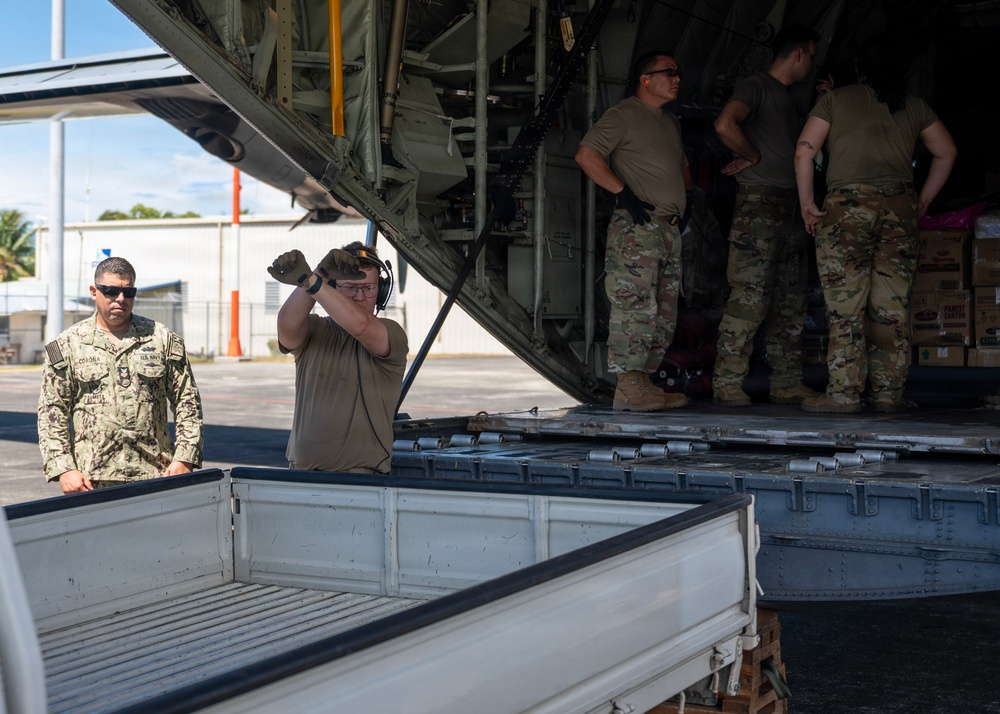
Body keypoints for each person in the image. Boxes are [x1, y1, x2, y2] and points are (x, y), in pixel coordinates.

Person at [794, 35, 957, 413]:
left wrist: (806, 203)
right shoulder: (914, 106)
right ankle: (888, 395)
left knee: (845, 305)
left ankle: (844, 395)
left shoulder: (835, 99)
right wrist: (923, 200)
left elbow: (805, 152)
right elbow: (946, 152)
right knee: (891, 306)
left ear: (857, 69)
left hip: (846, 209)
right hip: (899, 208)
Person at [712, 25, 824, 408]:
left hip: (791, 205)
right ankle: (726, 383)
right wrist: (752, 155)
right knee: (751, 296)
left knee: (790, 298)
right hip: (759, 206)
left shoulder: (789, 99)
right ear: (797, 54)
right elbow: (726, 123)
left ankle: (787, 381)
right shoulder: (756, 86)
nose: (811, 64)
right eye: (811, 56)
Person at [575, 50, 691, 412]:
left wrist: (685, 203)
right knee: (635, 305)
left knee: (665, 309)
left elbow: (682, 168)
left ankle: (644, 381)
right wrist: (622, 193)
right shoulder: (624, 115)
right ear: (645, 79)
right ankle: (627, 384)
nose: (676, 79)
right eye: (668, 72)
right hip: (638, 226)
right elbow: (586, 155)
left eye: (678, 73)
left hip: (668, 229)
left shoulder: (669, 122)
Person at [38, 257, 204, 493]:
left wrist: (185, 457)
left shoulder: (161, 339)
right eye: (111, 291)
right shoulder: (68, 345)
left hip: (156, 474)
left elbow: (187, 401)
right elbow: (52, 410)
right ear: (94, 292)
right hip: (91, 480)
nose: (120, 299)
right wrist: (64, 468)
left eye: (128, 292)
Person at [268, 242, 407, 472]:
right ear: (334, 288)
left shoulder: (392, 333)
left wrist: (312, 282)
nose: (359, 296)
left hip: (361, 480)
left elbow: (361, 326)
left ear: (381, 292)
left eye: (369, 288)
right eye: (350, 287)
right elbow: (286, 326)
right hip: (300, 476)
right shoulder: (315, 329)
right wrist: (317, 275)